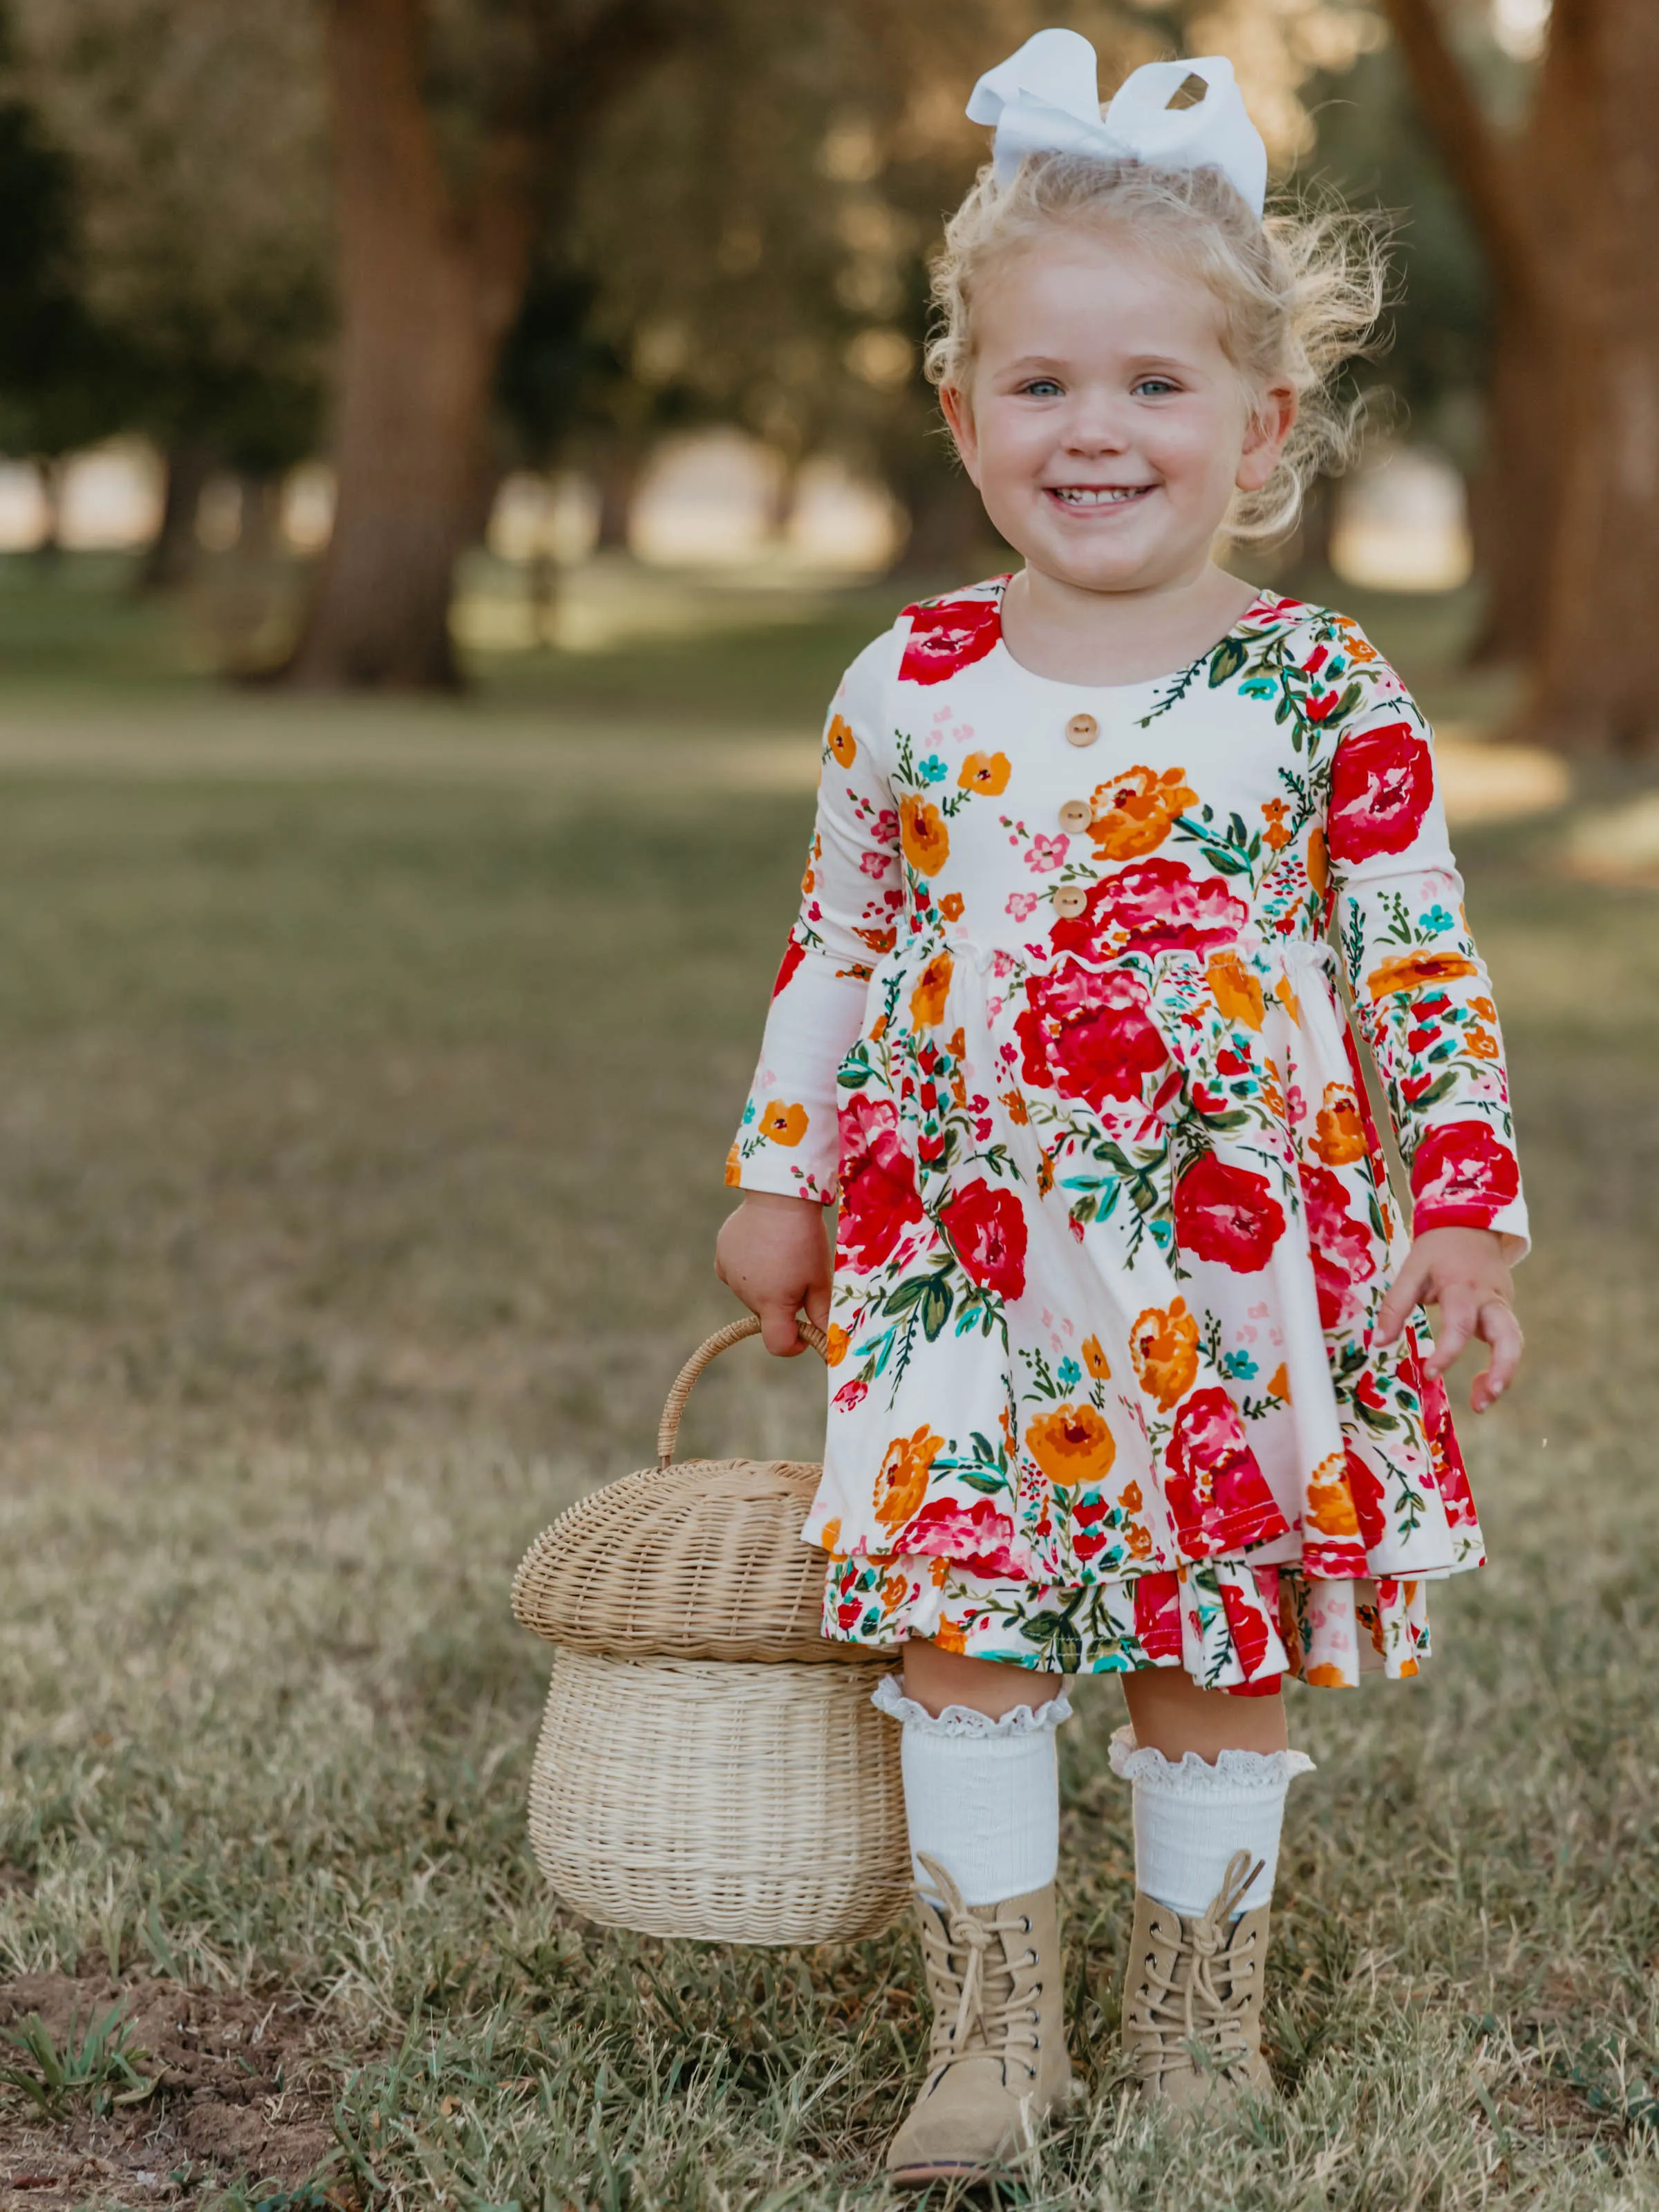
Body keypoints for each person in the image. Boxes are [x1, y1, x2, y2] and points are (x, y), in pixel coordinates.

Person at [716, 28, 1526, 2182]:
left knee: (1208, 1640)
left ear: (1262, 421)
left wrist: (1464, 1207)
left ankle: (1194, 2034)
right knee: (972, 1634)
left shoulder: (1316, 690)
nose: (1097, 432)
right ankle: (989, 2042)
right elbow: (844, 944)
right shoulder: (906, 684)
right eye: (1043, 386)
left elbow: (1419, 960)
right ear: (963, 411)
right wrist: (780, 1181)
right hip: (955, 1269)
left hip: (1228, 1267)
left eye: (1154, 386)